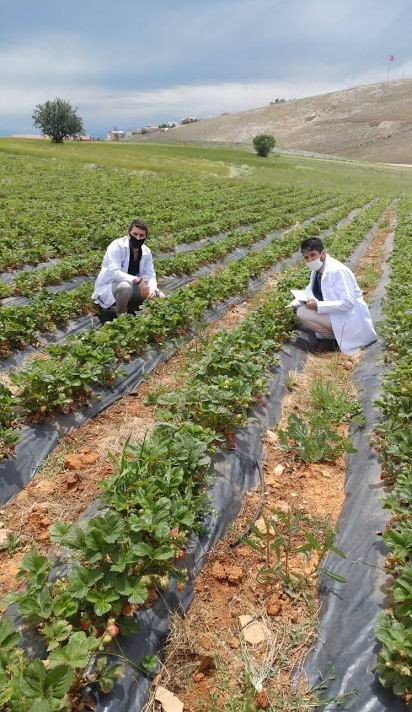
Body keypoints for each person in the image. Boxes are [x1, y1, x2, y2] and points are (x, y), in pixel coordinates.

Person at [292, 237, 377, 355]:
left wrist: (318, 305)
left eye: (313, 255)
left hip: (348, 318)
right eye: (306, 257)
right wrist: (293, 303)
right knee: (301, 309)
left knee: (302, 312)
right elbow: (309, 290)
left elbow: (348, 303)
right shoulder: (316, 270)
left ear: (323, 253)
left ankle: (335, 340)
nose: (310, 260)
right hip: (336, 315)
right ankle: (335, 339)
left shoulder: (337, 271)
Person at [92, 219, 163, 317]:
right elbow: (114, 273)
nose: (138, 238)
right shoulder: (117, 246)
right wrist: (137, 280)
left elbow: (150, 274)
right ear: (129, 233)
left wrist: (152, 288)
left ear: (146, 237)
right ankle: (122, 317)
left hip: (133, 287)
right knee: (125, 287)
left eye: (141, 235)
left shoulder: (146, 252)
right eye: (135, 234)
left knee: (160, 296)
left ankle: (139, 311)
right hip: (112, 287)